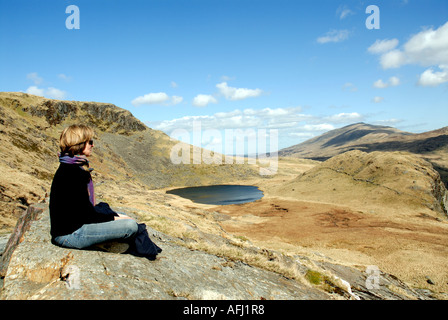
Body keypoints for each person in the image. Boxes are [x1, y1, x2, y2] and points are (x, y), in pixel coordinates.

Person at [49, 124, 139, 252]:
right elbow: (87, 216)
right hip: (70, 234)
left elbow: (83, 210)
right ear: (79, 143)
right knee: (130, 225)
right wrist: (114, 218)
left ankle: (104, 242)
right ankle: (105, 245)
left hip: (72, 227)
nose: (93, 145)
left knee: (122, 216)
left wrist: (116, 216)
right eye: (89, 142)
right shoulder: (73, 173)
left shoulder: (69, 166)